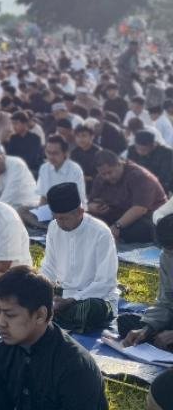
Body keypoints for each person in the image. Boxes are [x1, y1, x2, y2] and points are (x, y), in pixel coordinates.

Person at [0, 266, 108, 410]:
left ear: (40, 315)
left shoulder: (74, 366)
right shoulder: (2, 351)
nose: (0, 323)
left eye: (10, 315)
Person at [39, 182, 118, 332]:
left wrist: (72, 300)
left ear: (80, 212)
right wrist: (41, 290)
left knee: (90, 310)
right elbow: (48, 267)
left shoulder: (101, 232)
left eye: (64, 218)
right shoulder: (54, 227)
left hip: (95, 299)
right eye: (56, 218)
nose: (59, 223)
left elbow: (106, 282)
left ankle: (47, 317)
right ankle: (51, 315)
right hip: (61, 299)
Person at [89, 148, 167, 244]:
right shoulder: (100, 178)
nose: (107, 177)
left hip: (147, 216)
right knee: (88, 220)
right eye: (103, 174)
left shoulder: (139, 176)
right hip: (116, 213)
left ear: (119, 164)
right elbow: (90, 202)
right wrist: (94, 207)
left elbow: (140, 209)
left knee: (138, 230)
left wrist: (117, 226)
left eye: (110, 172)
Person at [122, 214, 173, 351]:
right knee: (128, 325)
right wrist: (146, 329)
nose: (170, 256)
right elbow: (166, 301)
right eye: (168, 251)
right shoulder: (166, 257)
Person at [35, 135, 87, 208]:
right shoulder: (44, 168)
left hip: (71, 210)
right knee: (23, 210)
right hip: (50, 210)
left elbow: (76, 200)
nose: (51, 157)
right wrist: (40, 214)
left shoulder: (75, 170)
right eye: (48, 153)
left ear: (65, 153)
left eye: (55, 153)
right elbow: (43, 198)